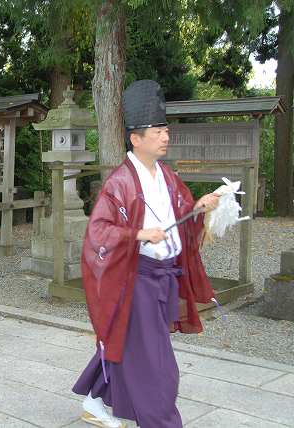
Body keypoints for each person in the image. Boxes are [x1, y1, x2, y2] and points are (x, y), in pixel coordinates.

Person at [72, 80, 220, 428]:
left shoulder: (166, 176)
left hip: (164, 276)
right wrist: (136, 234)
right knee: (157, 364)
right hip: (134, 278)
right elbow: (97, 232)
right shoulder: (119, 182)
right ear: (136, 139)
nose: (166, 137)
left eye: (166, 131)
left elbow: (182, 216)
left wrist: (198, 208)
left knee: (126, 341)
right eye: (158, 132)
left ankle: (96, 401)